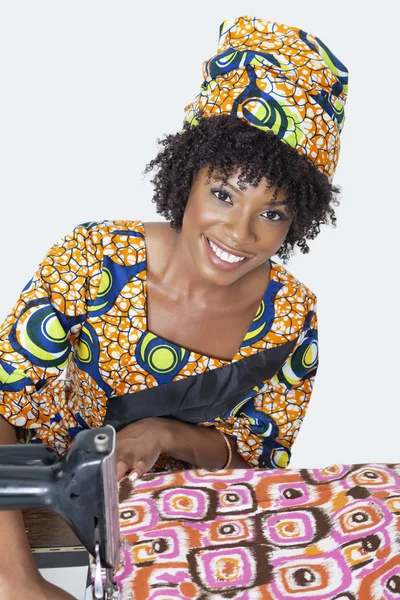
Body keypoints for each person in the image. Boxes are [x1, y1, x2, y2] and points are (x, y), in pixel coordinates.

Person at [0, 15, 348, 600]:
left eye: (273, 213)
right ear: (187, 175)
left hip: (184, 534)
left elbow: (256, 458)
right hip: (40, 509)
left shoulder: (292, 317)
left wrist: (164, 432)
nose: (239, 233)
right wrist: (16, 580)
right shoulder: (94, 258)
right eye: (223, 193)